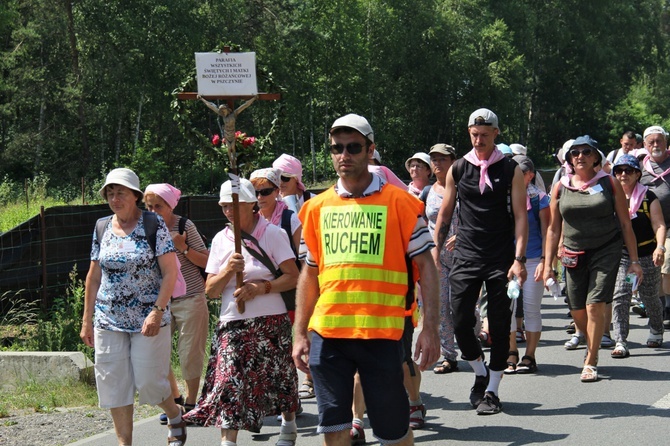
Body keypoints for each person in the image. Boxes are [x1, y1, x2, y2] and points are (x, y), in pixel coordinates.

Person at [293, 113, 440, 445]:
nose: (344, 155)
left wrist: (430, 327)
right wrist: (300, 333)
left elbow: (427, 267)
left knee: (393, 432)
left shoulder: (401, 204)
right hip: (328, 335)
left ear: (370, 150)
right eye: (337, 148)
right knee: (334, 427)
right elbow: (310, 273)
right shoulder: (316, 209)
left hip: (381, 336)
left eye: (353, 147)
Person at [182, 178, 300, 446]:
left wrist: (261, 287)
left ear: (251, 205)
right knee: (228, 382)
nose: (228, 212)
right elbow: (210, 290)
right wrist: (227, 271)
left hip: (270, 321)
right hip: (232, 322)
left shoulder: (273, 234)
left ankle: (289, 425)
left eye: (233, 205)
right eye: (224, 206)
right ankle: (228, 442)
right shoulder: (220, 240)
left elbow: (293, 277)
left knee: (278, 375)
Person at [80, 168, 186, 446]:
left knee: (150, 383)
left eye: (121, 193)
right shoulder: (102, 227)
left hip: (148, 320)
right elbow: (93, 277)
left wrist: (157, 310)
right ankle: (124, 443)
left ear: (135, 196)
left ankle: (174, 413)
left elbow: (170, 272)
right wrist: (86, 320)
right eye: (110, 193)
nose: (115, 199)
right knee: (113, 384)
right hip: (108, 319)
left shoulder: (153, 224)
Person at [433, 108, 528, 415]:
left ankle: (492, 390)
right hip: (466, 256)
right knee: (461, 320)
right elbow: (445, 213)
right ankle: (479, 372)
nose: (479, 140)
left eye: (485, 135)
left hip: (500, 257)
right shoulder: (459, 168)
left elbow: (521, 216)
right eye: (474, 134)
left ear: (495, 134)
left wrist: (519, 259)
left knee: (500, 326)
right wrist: (435, 251)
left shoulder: (510, 168)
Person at [544, 136, 643, 382]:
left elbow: (624, 223)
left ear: (596, 157)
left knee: (594, 305)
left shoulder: (609, 182)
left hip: (605, 249)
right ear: (568, 159)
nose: (580, 156)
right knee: (577, 311)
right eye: (575, 152)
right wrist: (547, 266)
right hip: (572, 253)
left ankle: (591, 359)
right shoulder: (561, 186)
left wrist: (634, 260)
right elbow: (553, 229)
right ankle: (591, 343)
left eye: (586, 152)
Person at [143, 183, 210, 423]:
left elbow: (206, 262)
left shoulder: (184, 225)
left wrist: (182, 247)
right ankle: (175, 401)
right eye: (148, 206)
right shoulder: (143, 227)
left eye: (158, 206)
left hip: (190, 297)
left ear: (171, 206)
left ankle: (192, 403)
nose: (152, 210)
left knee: (189, 353)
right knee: (158, 352)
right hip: (160, 300)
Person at [610, 155, 666, 358]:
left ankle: (656, 329)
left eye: (628, 170)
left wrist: (660, 247)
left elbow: (659, 224)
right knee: (621, 295)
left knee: (649, 296)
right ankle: (620, 340)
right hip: (624, 257)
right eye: (619, 171)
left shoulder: (648, 197)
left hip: (646, 255)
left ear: (636, 174)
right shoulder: (611, 196)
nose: (623, 174)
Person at [505, 156, 549, 374]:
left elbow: (547, 232)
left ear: (530, 175)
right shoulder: (505, 197)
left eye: (520, 172)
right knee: (508, 309)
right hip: (508, 261)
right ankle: (511, 352)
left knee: (531, 309)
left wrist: (545, 261)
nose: (515, 176)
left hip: (533, 261)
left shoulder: (540, 198)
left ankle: (529, 356)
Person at [423, 144, 460, 375]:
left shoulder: (465, 188)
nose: (437, 163)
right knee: (442, 307)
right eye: (434, 159)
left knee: (463, 308)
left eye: (442, 159)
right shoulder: (428, 192)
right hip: (436, 258)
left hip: (464, 256)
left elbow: (476, 216)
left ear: (453, 161)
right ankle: (449, 355)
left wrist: (462, 234)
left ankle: (472, 335)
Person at [640, 125, 670, 335]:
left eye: (659, 141)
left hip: (668, 227)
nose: (656, 145)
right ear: (645, 145)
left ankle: (667, 308)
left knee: (666, 264)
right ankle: (658, 309)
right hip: (645, 227)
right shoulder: (639, 167)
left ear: (666, 142)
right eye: (651, 142)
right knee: (653, 269)